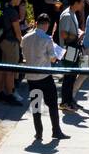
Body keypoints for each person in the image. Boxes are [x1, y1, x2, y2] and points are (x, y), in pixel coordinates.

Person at [21, 14, 69, 143]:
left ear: (37, 23)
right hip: (45, 76)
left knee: (36, 105)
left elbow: (24, 53)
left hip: (31, 77)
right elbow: (53, 58)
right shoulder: (47, 39)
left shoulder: (25, 37)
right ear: (47, 25)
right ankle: (56, 131)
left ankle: (38, 133)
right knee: (52, 104)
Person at [57, 0, 86, 111]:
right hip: (69, 49)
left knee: (73, 76)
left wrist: (78, 32)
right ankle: (65, 102)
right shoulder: (67, 15)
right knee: (68, 77)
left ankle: (70, 100)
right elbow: (64, 35)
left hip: (73, 48)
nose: (83, 5)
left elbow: (72, 30)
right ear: (76, 2)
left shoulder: (73, 13)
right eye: (82, 2)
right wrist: (77, 36)